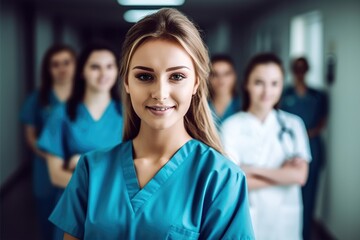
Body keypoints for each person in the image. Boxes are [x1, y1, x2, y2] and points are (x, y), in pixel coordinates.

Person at [48, 8, 254, 240]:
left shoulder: (221, 178)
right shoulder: (91, 170)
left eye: (176, 76)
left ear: (196, 83)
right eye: (145, 76)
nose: (160, 93)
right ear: (126, 82)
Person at [37, 42, 123, 239]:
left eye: (109, 66)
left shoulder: (128, 115)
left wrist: (81, 164)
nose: (103, 73)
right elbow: (56, 175)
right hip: (75, 205)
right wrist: (101, 188)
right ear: (82, 71)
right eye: (95, 67)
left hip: (115, 208)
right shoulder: (62, 114)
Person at [221, 53, 311, 240]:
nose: (267, 91)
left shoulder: (293, 125)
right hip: (249, 218)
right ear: (246, 84)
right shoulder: (231, 126)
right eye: (259, 82)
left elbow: (300, 176)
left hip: (285, 220)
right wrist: (284, 175)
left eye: (274, 83)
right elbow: (234, 184)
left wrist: (250, 169)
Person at [20, 44, 76, 240]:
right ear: (48, 69)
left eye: (66, 63)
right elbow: (30, 136)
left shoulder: (87, 97)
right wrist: (54, 157)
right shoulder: (38, 98)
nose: (62, 69)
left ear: (76, 65)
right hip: (45, 169)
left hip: (77, 167)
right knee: (48, 222)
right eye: (55, 64)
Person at [281, 57, 328, 240]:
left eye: (303, 69)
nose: (299, 73)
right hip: (288, 149)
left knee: (309, 197)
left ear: (307, 70)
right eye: (296, 69)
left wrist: (304, 135)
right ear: (292, 70)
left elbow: (323, 121)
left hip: (312, 147)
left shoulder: (319, 95)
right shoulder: (286, 93)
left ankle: (305, 235)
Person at [208, 54, 241, 129]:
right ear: (208, 78)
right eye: (215, 74)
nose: (221, 80)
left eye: (226, 74)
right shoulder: (200, 108)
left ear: (235, 76)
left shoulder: (244, 107)